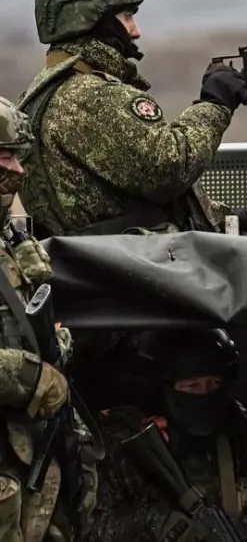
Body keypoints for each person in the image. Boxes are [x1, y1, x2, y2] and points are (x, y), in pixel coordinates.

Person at [16, 0, 247, 238]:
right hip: (130, 261)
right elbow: (170, 169)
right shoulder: (90, 96)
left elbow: (124, 198)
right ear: (92, 20)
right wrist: (215, 104)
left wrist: (222, 219)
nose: (136, 30)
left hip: (108, 256)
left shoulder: (48, 90)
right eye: (127, 17)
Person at [82, 328, 247, 541]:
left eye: (214, 383)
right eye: (192, 386)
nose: (204, 394)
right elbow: (90, 529)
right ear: (164, 388)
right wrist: (154, 521)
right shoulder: (126, 448)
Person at [0, 97, 98, 541]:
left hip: (31, 459)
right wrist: (31, 376)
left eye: (17, 157)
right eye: (5, 157)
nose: (17, 170)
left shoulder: (11, 238)